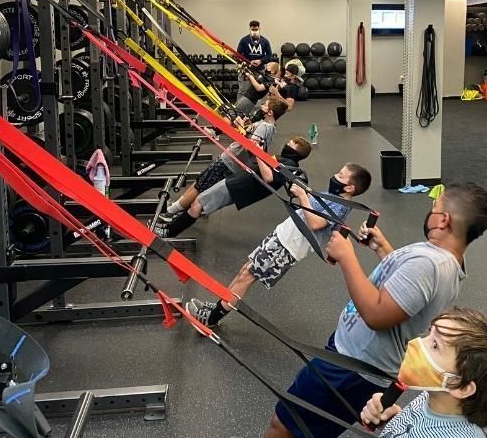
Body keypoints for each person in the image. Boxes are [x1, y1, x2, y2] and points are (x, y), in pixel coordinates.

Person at [262, 182, 487, 438]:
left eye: (434, 208)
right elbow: (407, 292)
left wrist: (346, 257)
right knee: (301, 427)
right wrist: (383, 248)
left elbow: (376, 314)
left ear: (443, 221)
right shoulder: (444, 261)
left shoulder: (429, 263)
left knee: (284, 425)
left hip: (352, 368)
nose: (430, 212)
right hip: (354, 360)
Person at [185, 163, 372, 329]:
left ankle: (211, 319)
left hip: (288, 247)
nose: (335, 177)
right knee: (245, 270)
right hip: (283, 236)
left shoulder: (341, 206)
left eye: (340, 176)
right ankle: (221, 303)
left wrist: (302, 196)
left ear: (349, 187)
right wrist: (300, 192)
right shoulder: (333, 196)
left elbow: (315, 224)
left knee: (247, 277)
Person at [360, 307, 487, 437]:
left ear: (461, 387)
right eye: (429, 333)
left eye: (435, 345)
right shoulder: (433, 397)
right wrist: (395, 419)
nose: (414, 343)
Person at [153, 136, 312, 238]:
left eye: (290, 143)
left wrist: (258, 153)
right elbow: (264, 166)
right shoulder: (286, 160)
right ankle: (169, 228)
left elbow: (268, 177)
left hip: (239, 187)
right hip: (238, 182)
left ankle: (169, 232)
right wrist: (258, 151)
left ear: (296, 150)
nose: (286, 143)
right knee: (199, 203)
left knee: (198, 204)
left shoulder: (289, 165)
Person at [160, 97, 288, 222]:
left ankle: (171, 211)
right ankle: (181, 207)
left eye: (265, 105)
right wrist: (243, 126)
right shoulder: (271, 127)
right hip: (235, 162)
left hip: (230, 161)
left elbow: (251, 146)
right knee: (203, 185)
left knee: (200, 185)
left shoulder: (264, 126)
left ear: (270, 112)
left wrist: (241, 127)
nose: (262, 106)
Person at [237, 20, 272, 99]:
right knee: (243, 90)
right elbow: (238, 55)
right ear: (249, 29)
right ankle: (238, 110)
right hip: (246, 70)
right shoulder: (244, 40)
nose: (254, 31)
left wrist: (260, 61)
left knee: (259, 92)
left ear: (260, 28)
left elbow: (269, 55)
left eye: (256, 30)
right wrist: (248, 62)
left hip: (259, 70)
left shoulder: (265, 41)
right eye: (253, 30)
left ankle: (257, 110)